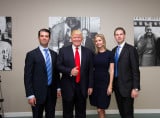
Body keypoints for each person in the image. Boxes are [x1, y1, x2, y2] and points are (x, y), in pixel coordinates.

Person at [57, 29, 94, 118]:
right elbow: (58, 66)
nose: (77, 39)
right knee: (67, 113)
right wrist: (70, 71)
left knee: (81, 113)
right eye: (75, 37)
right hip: (67, 86)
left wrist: (90, 86)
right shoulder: (63, 51)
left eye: (79, 37)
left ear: (82, 38)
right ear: (71, 38)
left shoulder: (88, 52)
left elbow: (90, 70)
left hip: (83, 87)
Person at [24, 28, 60, 118]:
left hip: (52, 92)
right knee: (37, 115)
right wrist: (30, 94)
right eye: (42, 36)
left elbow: (56, 74)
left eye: (46, 36)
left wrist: (58, 88)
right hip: (37, 93)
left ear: (49, 38)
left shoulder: (54, 54)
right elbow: (27, 76)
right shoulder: (31, 54)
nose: (44, 38)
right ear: (38, 38)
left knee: (51, 115)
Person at [112, 27, 140, 118]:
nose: (119, 36)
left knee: (128, 113)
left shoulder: (131, 49)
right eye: (117, 34)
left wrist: (135, 88)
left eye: (121, 34)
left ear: (124, 35)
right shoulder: (113, 50)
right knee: (122, 112)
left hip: (128, 87)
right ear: (114, 37)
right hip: (116, 86)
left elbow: (135, 70)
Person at [89, 34, 114, 118]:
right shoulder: (93, 54)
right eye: (96, 41)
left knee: (101, 107)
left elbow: (112, 70)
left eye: (99, 40)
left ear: (103, 41)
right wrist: (90, 85)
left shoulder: (110, 54)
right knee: (99, 107)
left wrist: (110, 85)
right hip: (95, 82)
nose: (98, 42)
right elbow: (90, 70)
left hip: (105, 82)